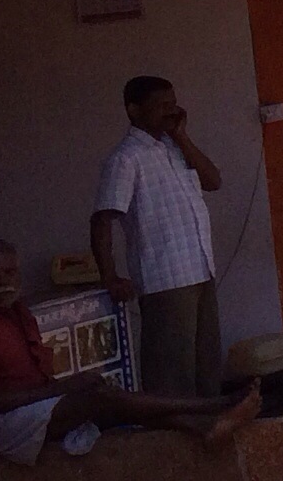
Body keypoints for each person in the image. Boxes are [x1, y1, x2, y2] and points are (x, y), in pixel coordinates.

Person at [0, 240, 256, 464]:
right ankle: (214, 405)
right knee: (101, 399)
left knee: (112, 400)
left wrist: (66, 388)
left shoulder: (18, 313)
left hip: (33, 408)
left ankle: (205, 426)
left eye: (9, 273)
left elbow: (39, 381)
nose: (2, 282)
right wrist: (63, 389)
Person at [91, 73, 226, 399]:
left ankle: (211, 428)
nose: (171, 111)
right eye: (162, 105)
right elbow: (102, 221)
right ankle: (173, 431)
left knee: (206, 368)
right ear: (134, 110)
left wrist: (182, 136)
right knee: (172, 374)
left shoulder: (175, 147)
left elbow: (213, 181)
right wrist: (110, 276)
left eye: (173, 103)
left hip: (200, 268)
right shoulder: (125, 159)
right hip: (164, 278)